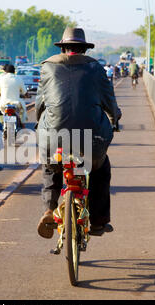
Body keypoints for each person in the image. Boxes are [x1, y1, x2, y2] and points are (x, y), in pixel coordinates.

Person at [35, 27, 122, 239]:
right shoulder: (96, 69)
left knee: (50, 167)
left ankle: (49, 210)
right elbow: (110, 102)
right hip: (90, 140)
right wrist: (115, 119)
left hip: (55, 137)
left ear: (63, 48)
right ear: (84, 49)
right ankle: (99, 221)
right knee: (101, 170)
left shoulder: (47, 68)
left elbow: (39, 105)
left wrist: (42, 124)